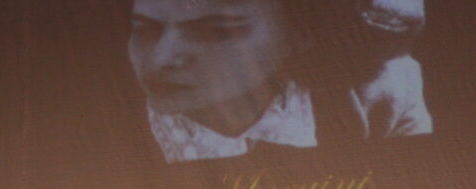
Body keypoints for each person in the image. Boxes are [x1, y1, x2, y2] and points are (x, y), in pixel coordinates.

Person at [127, 0, 431, 163]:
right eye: (146, 30)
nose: (160, 59)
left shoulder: (382, 95)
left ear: (299, 34)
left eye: (214, 31)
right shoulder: (117, 133)